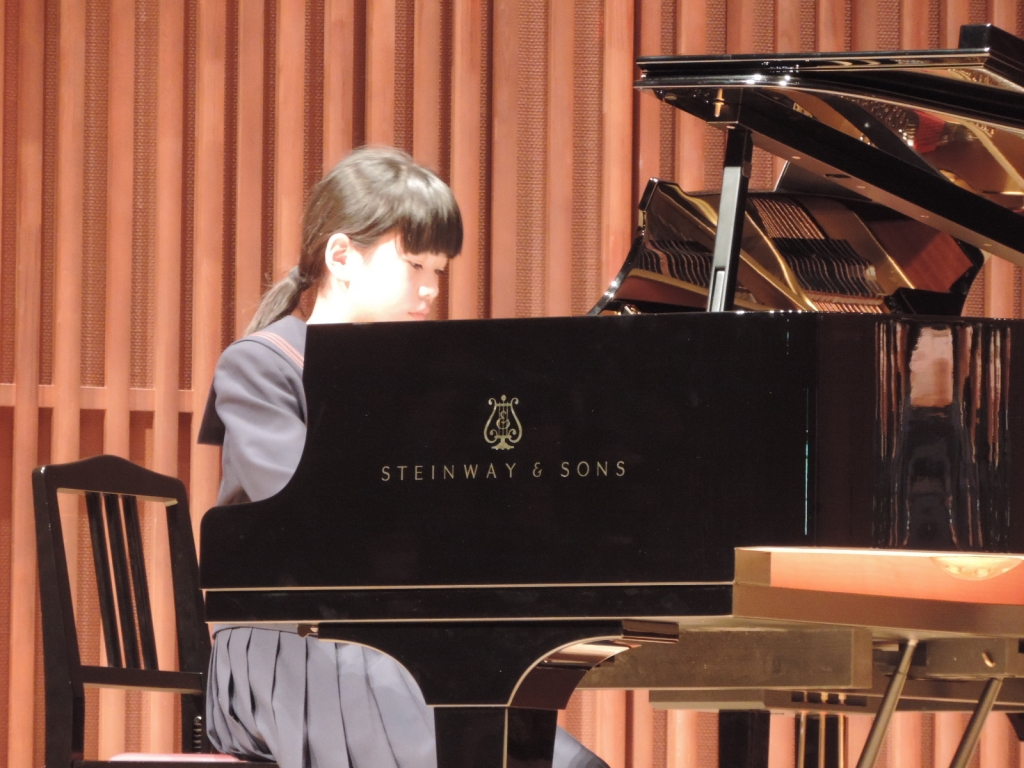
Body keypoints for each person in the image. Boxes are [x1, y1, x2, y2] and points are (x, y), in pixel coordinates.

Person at [198, 147, 609, 768]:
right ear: (341, 257)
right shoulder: (261, 366)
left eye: (439, 269)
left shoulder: (416, 380)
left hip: (391, 641)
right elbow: (305, 518)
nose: (431, 288)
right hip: (293, 647)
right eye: (415, 263)